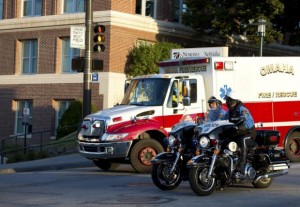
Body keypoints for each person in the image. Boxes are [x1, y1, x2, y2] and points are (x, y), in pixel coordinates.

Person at [224, 91, 256, 175]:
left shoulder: (242, 109)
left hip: (248, 133)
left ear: (232, 100)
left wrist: (243, 126)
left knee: (243, 140)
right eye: (227, 100)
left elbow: (247, 119)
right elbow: (222, 120)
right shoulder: (230, 111)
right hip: (238, 133)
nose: (226, 102)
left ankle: (242, 164)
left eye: (228, 100)